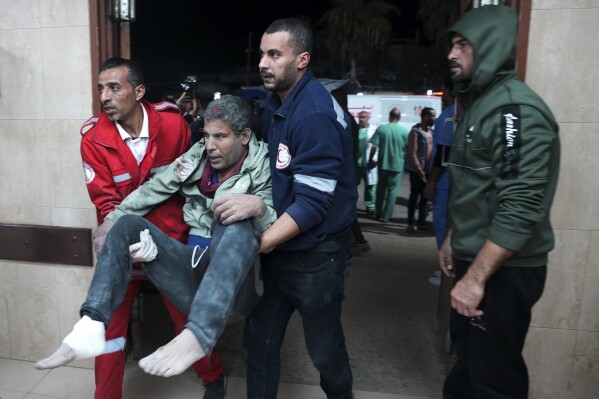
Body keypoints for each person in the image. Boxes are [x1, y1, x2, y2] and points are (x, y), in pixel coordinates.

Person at [35, 95, 277, 392]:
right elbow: (153, 189)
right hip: (192, 270)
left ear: (244, 136)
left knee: (239, 221)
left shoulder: (263, 163)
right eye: (207, 135)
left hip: (234, 287)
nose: (210, 145)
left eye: (221, 137)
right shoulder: (196, 156)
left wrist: (260, 208)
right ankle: (91, 323)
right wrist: (111, 221)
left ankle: (198, 336)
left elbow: (279, 222)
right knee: (125, 225)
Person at [66, 57, 226, 399]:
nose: (105, 96)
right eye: (100, 89)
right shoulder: (93, 139)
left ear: (138, 92)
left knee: (188, 319)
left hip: (169, 241)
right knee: (108, 329)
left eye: (114, 87)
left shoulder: (173, 125)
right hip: (120, 246)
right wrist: (125, 241)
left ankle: (213, 378)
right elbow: (105, 202)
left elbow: (191, 182)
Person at [439, 5, 560, 398]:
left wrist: (475, 279)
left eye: (462, 45)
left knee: (494, 382)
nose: (451, 55)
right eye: (451, 45)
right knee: (468, 370)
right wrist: (455, 237)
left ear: (490, 48)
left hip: (502, 272)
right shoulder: (482, 103)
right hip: (477, 259)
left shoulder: (514, 111)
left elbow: (520, 205)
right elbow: (479, 186)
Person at [240, 18, 357, 399]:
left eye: (275, 54)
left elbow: (312, 204)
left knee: (325, 354)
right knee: (259, 344)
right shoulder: (278, 104)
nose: (263, 62)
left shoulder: (314, 114)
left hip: (316, 259)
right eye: (262, 53)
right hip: (279, 252)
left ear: (302, 59)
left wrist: (254, 245)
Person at [424, 83, 456, 285]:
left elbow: (443, 153)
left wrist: (432, 182)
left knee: (442, 226)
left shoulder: (448, 116)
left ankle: (447, 272)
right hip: (458, 180)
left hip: (445, 181)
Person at [368, 107, 410, 223]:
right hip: (397, 166)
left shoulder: (382, 129)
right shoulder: (404, 131)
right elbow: (408, 150)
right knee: (392, 192)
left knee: (380, 189)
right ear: (399, 118)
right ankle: (386, 216)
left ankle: (378, 212)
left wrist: (371, 158)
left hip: (383, 164)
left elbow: (374, 146)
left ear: (389, 116)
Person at [405, 107, 436, 233]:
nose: (435, 118)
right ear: (426, 117)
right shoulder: (415, 132)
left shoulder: (431, 132)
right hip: (417, 172)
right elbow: (412, 154)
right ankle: (410, 224)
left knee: (425, 198)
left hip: (429, 171)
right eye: (433, 116)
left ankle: (422, 222)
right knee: (414, 198)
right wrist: (420, 171)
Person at [355, 111, 377, 214]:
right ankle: (352, 204)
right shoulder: (355, 129)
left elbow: (377, 146)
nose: (361, 119)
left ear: (368, 118)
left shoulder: (373, 130)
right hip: (356, 163)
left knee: (370, 187)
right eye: (360, 117)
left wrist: (375, 158)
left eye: (363, 117)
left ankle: (370, 206)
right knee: (354, 185)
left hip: (369, 162)